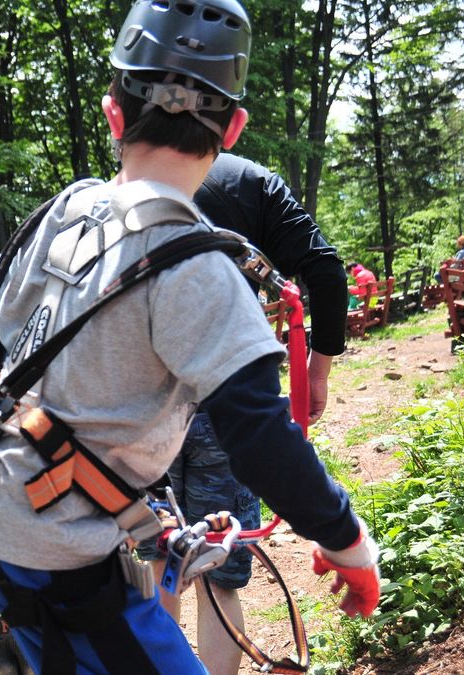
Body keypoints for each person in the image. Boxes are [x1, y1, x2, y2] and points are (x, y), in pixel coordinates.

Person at [0, 0, 380, 671]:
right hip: (53, 553)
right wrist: (348, 543)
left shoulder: (61, 211)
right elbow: (260, 437)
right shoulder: (202, 269)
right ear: (234, 129)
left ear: (113, 115)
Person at [129, 152, 349, 674]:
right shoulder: (250, 181)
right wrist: (316, 373)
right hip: (229, 394)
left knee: (160, 561)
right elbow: (325, 271)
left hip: (144, 401)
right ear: (229, 125)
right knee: (217, 570)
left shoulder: (128, 183)